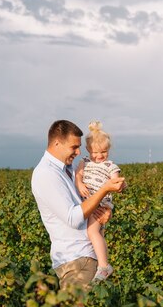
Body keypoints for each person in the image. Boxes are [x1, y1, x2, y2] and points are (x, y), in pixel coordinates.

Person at [31, 120, 125, 289]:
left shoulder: (69, 168)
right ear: (57, 143)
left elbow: (88, 201)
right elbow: (73, 218)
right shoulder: (46, 174)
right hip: (76, 261)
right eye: (74, 147)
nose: (78, 151)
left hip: (87, 258)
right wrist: (104, 191)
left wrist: (104, 211)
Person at [75, 120, 121, 282]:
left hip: (101, 203)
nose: (100, 156)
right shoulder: (84, 162)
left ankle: (104, 266)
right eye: (95, 152)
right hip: (89, 201)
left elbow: (117, 182)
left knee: (92, 232)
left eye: (104, 152)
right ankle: (99, 262)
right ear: (88, 150)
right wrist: (79, 183)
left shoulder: (110, 165)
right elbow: (78, 175)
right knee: (97, 233)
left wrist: (120, 185)